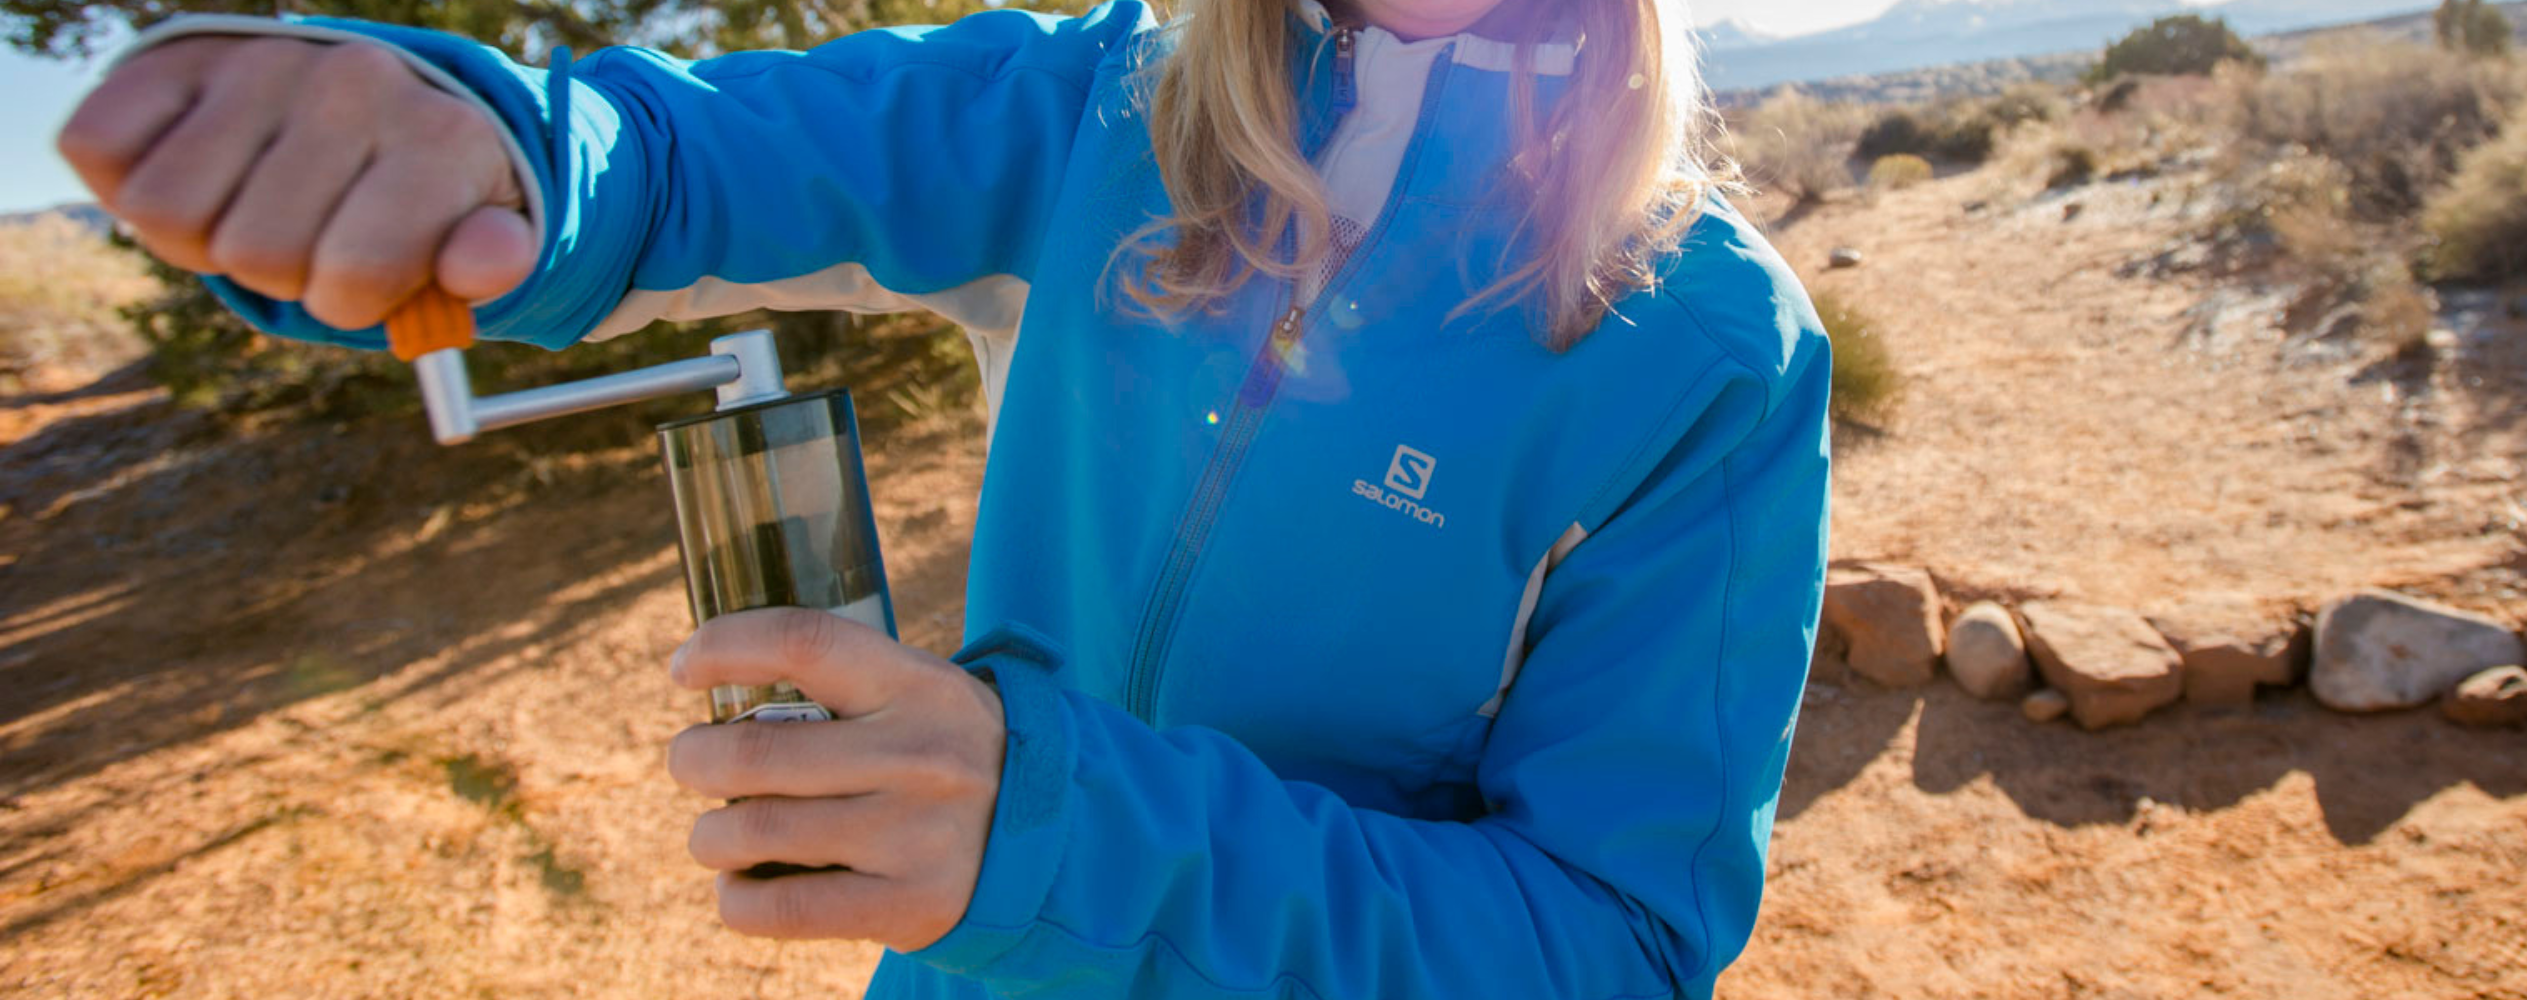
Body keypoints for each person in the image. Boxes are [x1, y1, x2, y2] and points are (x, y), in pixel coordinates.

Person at [60, 0, 1830, 995]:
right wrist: (491, 145)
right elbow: (686, 161)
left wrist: (1058, 828)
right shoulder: (1105, 101)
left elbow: (1611, 940)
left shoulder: (1709, 344)